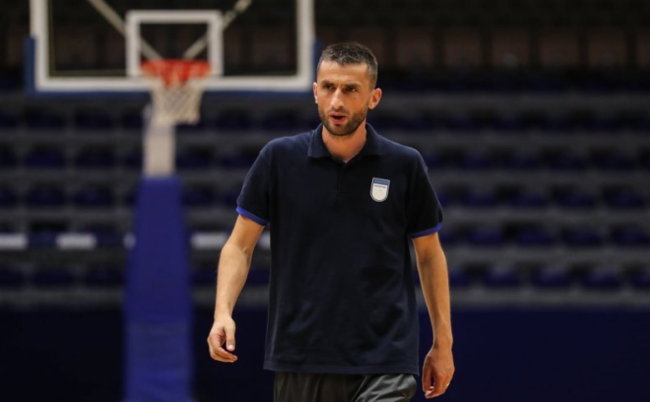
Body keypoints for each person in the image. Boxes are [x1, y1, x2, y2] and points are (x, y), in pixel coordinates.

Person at [207, 42, 455, 401]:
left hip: (384, 358)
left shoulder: (404, 165)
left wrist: (443, 341)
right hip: (300, 354)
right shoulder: (278, 159)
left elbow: (429, 255)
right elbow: (239, 246)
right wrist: (222, 312)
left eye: (350, 89)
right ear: (315, 92)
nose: (337, 101)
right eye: (328, 87)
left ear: (374, 97)